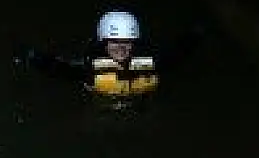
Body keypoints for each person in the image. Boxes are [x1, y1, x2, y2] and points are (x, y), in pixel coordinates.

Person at [21, 9, 202, 104]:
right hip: (100, 108)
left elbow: (176, 55)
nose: (121, 48)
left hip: (141, 106)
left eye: (127, 42)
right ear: (103, 42)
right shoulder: (89, 69)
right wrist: (32, 57)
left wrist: (194, 36)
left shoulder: (149, 63)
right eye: (115, 42)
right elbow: (59, 68)